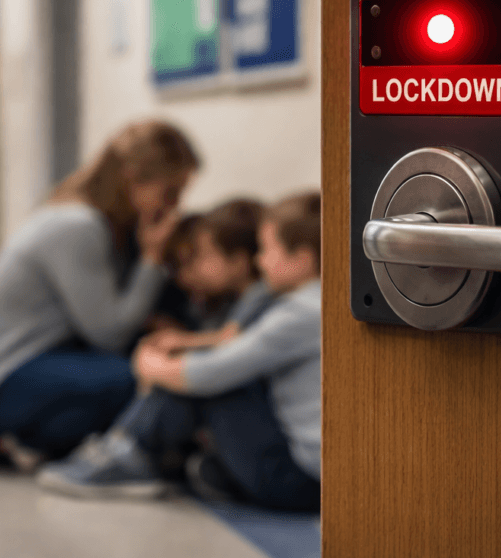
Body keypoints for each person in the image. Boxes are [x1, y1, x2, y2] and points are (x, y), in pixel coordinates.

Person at [0, 120, 200, 471]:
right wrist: (152, 259)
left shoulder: (93, 219)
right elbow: (109, 334)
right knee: (136, 376)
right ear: (132, 179)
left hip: (24, 366)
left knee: (141, 367)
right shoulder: (77, 226)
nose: (174, 209)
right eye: (170, 193)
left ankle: (49, 438)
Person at [36, 191, 322, 513]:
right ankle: (133, 450)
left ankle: (130, 453)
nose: (260, 260)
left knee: (210, 380)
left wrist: (151, 364)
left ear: (303, 259)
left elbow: (211, 372)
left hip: (304, 483)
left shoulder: (301, 313)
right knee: (208, 373)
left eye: (269, 250)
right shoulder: (320, 303)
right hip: (314, 476)